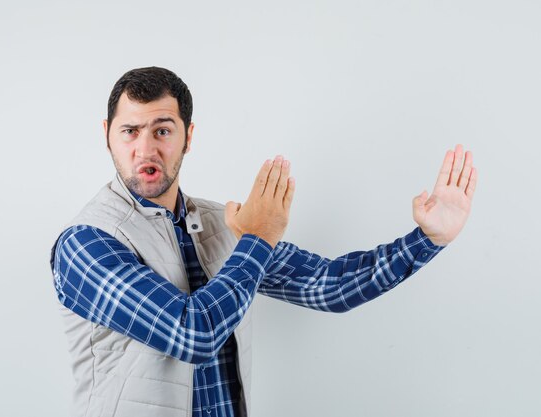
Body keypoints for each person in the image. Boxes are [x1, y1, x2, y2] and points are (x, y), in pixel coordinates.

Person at [50, 66, 477, 417]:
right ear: (107, 134)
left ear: (188, 136)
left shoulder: (224, 224)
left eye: (162, 131)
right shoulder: (85, 243)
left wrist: (427, 239)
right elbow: (192, 334)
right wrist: (258, 237)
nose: (145, 149)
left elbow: (329, 286)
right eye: (130, 131)